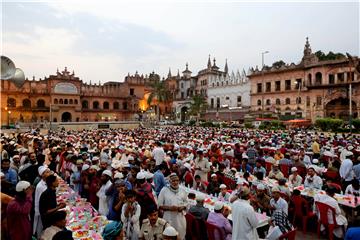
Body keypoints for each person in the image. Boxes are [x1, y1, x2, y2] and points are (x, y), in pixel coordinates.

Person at [158, 173, 187, 240]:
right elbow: (159, 205)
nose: (175, 182)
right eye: (173, 181)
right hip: (168, 217)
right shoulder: (164, 190)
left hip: (180, 218)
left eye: (177, 180)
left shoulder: (182, 190)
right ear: (170, 181)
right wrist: (170, 208)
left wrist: (182, 207)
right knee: (169, 236)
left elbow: (187, 203)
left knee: (180, 236)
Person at [33, 166, 52, 236]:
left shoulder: (47, 182)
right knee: (41, 227)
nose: (49, 173)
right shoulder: (40, 186)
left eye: (49, 171)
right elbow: (40, 200)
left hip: (48, 209)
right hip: (43, 210)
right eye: (47, 172)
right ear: (42, 175)